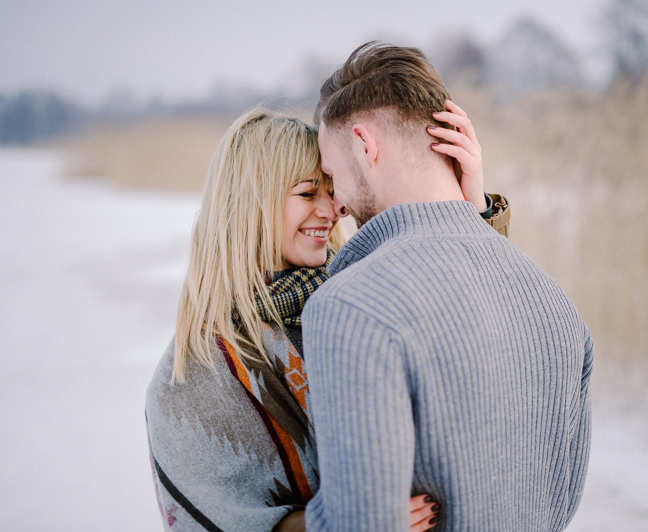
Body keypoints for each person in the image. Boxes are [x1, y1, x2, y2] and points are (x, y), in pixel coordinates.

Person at [145, 105, 509, 531]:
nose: (333, 210)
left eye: (331, 190)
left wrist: (472, 209)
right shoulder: (194, 378)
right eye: (307, 193)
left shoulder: (364, 293)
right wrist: (345, 523)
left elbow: (479, 323)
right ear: (252, 203)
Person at [301, 42, 594, 532]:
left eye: (332, 174)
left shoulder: (352, 306)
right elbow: (561, 501)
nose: (340, 205)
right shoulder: (554, 303)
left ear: (364, 143)